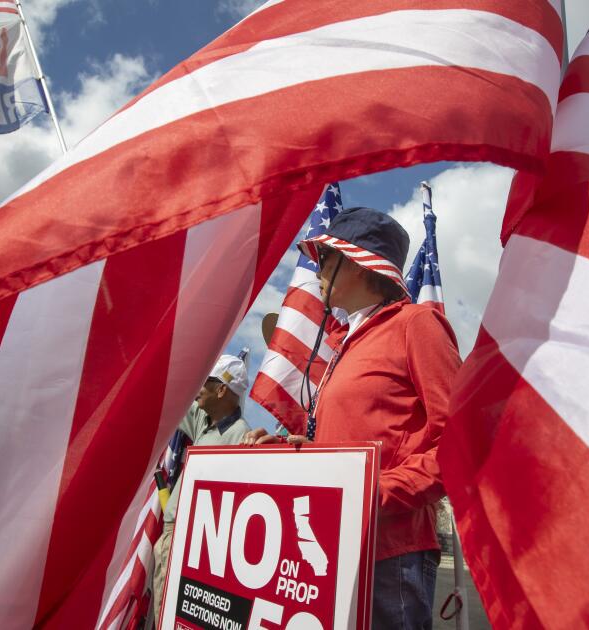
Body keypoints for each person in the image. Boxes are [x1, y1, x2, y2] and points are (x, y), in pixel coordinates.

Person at [243, 206, 461, 630]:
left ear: (359, 264)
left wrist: (371, 492)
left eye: (326, 257)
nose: (317, 267)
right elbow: (356, 443)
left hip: (390, 551)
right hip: (332, 545)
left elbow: (459, 445)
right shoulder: (345, 344)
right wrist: (300, 452)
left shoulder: (417, 324)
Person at [152, 354, 252, 622]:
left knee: (168, 619)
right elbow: (175, 394)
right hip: (176, 535)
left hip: (193, 541)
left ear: (221, 390)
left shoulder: (242, 438)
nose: (197, 388)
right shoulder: (204, 423)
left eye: (204, 382)